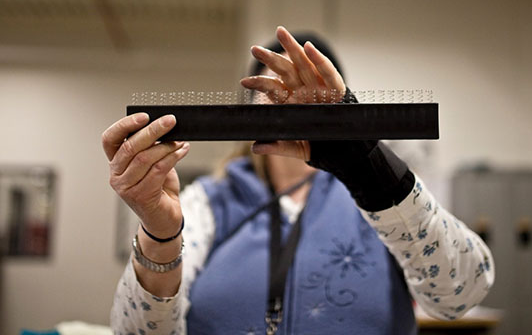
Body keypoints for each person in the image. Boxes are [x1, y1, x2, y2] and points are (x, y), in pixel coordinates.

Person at [104, 26, 494, 334]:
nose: (285, 98)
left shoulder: (382, 202)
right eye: (270, 85)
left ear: (338, 101)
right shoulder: (205, 202)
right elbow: (135, 332)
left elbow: (460, 295)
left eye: (302, 86)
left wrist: (368, 167)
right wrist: (159, 237)